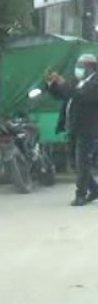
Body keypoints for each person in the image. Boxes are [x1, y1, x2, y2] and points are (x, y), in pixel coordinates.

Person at [47, 54, 98, 206]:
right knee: (74, 163)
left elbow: (79, 96)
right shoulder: (78, 82)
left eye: (82, 66)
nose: (78, 69)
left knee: (82, 162)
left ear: (91, 67)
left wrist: (63, 83)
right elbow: (64, 94)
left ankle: (80, 194)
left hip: (87, 128)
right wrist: (53, 85)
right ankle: (94, 189)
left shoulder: (95, 83)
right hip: (73, 127)